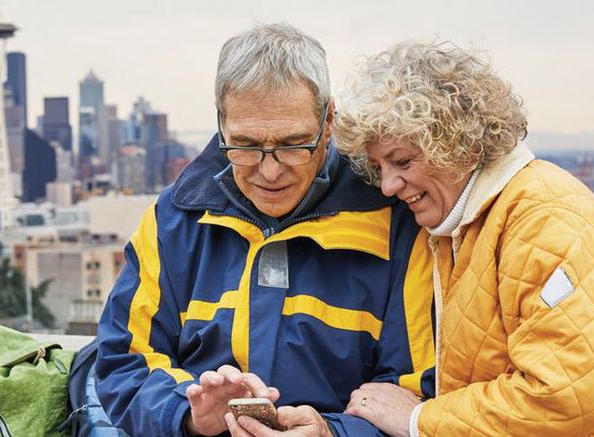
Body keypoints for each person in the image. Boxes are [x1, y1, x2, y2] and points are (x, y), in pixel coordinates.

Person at [94, 24, 437, 437]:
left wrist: (334, 433)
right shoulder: (172, 221)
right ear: (221, 123)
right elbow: (123, 364)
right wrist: (190, 414)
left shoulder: (397, 221)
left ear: (328, 121)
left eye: (293, 145)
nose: (270, 171)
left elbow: (422, 390)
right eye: (246, 145)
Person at [334, 41, 594, 436]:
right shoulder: (470, 224)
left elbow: (561, 395)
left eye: (403, 161)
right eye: (378, 166)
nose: (387, 185)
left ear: (457, 143)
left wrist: (418, 420)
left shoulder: (546, 220)